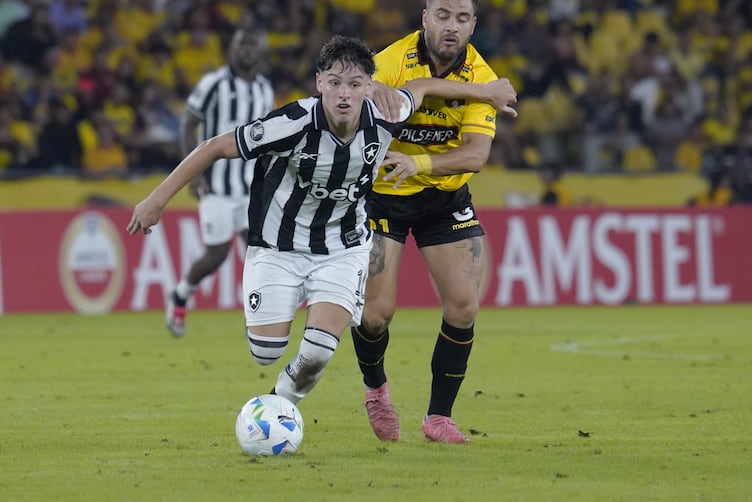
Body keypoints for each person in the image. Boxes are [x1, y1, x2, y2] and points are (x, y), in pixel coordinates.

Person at [128, 36, 516, 410]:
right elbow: (214, 146)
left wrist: (486, 93)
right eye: (334, 83)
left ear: (370, 85)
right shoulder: (292, 123)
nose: (344, 94)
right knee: (265, 351)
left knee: (316, 352)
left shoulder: (387, 112)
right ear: (319, 83)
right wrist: (157, 199)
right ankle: (293, 299)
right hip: (278, 246)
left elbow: (424, 84)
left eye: (354, 84)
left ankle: (278, 408)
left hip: (341, 248)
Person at [350, 0, 515, 444]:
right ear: (425, 17)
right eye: (442, 14)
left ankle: (438, 417)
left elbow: (476, 156)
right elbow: (375, 102)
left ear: (473, 25)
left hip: (444, 197)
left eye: (462, 18)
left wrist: (418, 159)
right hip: (384, 196)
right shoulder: (391, 61)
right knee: (375, 314)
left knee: (464, 305)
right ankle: (376, 388)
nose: (451, 26)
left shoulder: (481, 76)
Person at [166, 27, 275, 337]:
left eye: (253, 44)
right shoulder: (213, 84)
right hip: (216, 186)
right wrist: (194, 172)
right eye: (242, 43)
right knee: (217, 254)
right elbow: (188, 124)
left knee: (259, 250)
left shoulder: (265, 90)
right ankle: (181, 293)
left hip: (250, 187)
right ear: (232, 48)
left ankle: (259, 317)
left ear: (260, 51)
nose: (247, 50)